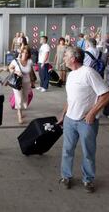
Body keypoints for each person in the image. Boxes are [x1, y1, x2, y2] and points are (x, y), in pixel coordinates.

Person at [57, 47, 109, 193]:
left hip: (86, 122)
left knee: (88, 152)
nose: (64, 58)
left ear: (73, 58)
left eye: (66, 55)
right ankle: (66, 176)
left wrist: (92, 112)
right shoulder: (72, 75)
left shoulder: (88, 73)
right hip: (69, 120)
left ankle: (88, 179)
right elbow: (71, 98)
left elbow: (105, 94)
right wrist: (63, 114)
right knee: (67, 150)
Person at [8, 46, 33, 124]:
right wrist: (16, 72)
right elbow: (10, 68)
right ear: (21, 53)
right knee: (18, 98)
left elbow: (31, 72)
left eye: (26, 53)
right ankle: (19, 114)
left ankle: (21, 109)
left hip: (27, 82)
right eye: (23, 52)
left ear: (28, 54)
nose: (25, 54)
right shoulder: (16, 61)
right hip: (17, 82)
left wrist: (32, 81)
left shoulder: (30, 61)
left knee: (25, 98)